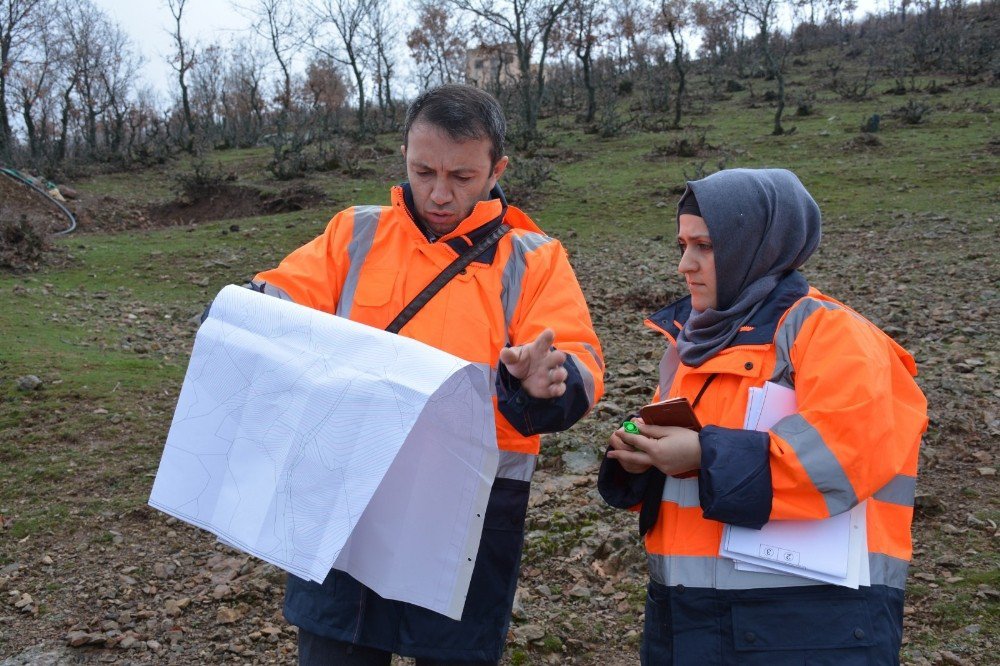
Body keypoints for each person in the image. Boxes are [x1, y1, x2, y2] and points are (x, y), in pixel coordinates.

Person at [250, 84, 604, 665]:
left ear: (497, 170)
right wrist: (249, 306)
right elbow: (284, 294)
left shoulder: (534, 257)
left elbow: (580, 361)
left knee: (452, 654)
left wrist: (543, 382)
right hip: (348, 493)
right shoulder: (355, 233)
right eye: (423, 171)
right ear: (405, 157)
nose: (439, 193)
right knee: (335, 646)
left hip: (469, 509)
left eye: (462, 177)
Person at [598, 168, 927, 664]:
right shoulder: (694, 347)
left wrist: (701, 456)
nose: (685, 265)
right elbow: (686, 494)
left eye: (705, 246)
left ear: (760, 244)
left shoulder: (835, 335)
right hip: (686, 617)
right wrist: (639, 460)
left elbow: (840, 460)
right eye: (683, 244)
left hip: (810, 625)